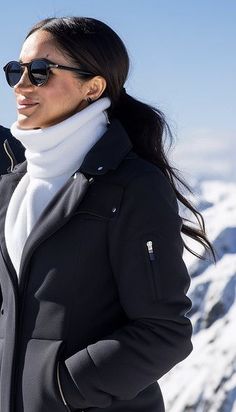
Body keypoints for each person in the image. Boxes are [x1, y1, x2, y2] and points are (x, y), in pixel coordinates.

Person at [0, 17, 214, 412]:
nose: (20, 84)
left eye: (41, 72)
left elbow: (165, 332)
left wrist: (61, 389)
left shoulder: (133, 186)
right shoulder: (12, 186)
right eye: (16, 69)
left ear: (93, 87)